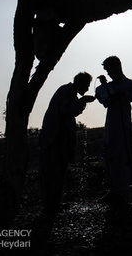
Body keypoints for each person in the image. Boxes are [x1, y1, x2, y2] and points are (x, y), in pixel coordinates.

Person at [38, 72, 95, 218]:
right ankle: (49, 206)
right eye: (87, 85)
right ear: (80, 83)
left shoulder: (68, 92)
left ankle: (53, 204)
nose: (88, 89)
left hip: (58, 139)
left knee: (58, 173)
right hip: (54, 139)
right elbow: (66, 111)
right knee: (53, 172)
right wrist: (82, 101)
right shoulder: (65, 91)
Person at [96, 56, 132, 212]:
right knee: (110, 156)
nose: (109, 74)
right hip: (111, 126)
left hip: (123, 125)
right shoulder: (106, 86)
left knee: (124, 156)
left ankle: (124, 191)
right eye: (107, 71)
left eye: (110, 70)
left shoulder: (129, 84)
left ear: (117, 67)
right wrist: (105, 89)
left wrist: (124, 95)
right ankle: (113, 191)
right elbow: (104, 100)